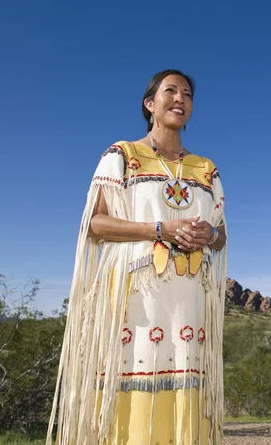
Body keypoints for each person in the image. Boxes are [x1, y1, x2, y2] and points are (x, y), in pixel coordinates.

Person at [47, 70, 227, 445]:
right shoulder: (123, 155)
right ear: (150, 104)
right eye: (171, 91)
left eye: (187, 94)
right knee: (133, 384)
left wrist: (209, 235)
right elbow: (94, 223)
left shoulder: (206, 170)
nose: (180, 99)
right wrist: (157, 230)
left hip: (189, 302)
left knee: (186, 384)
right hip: (135, 300)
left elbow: (221, 234)